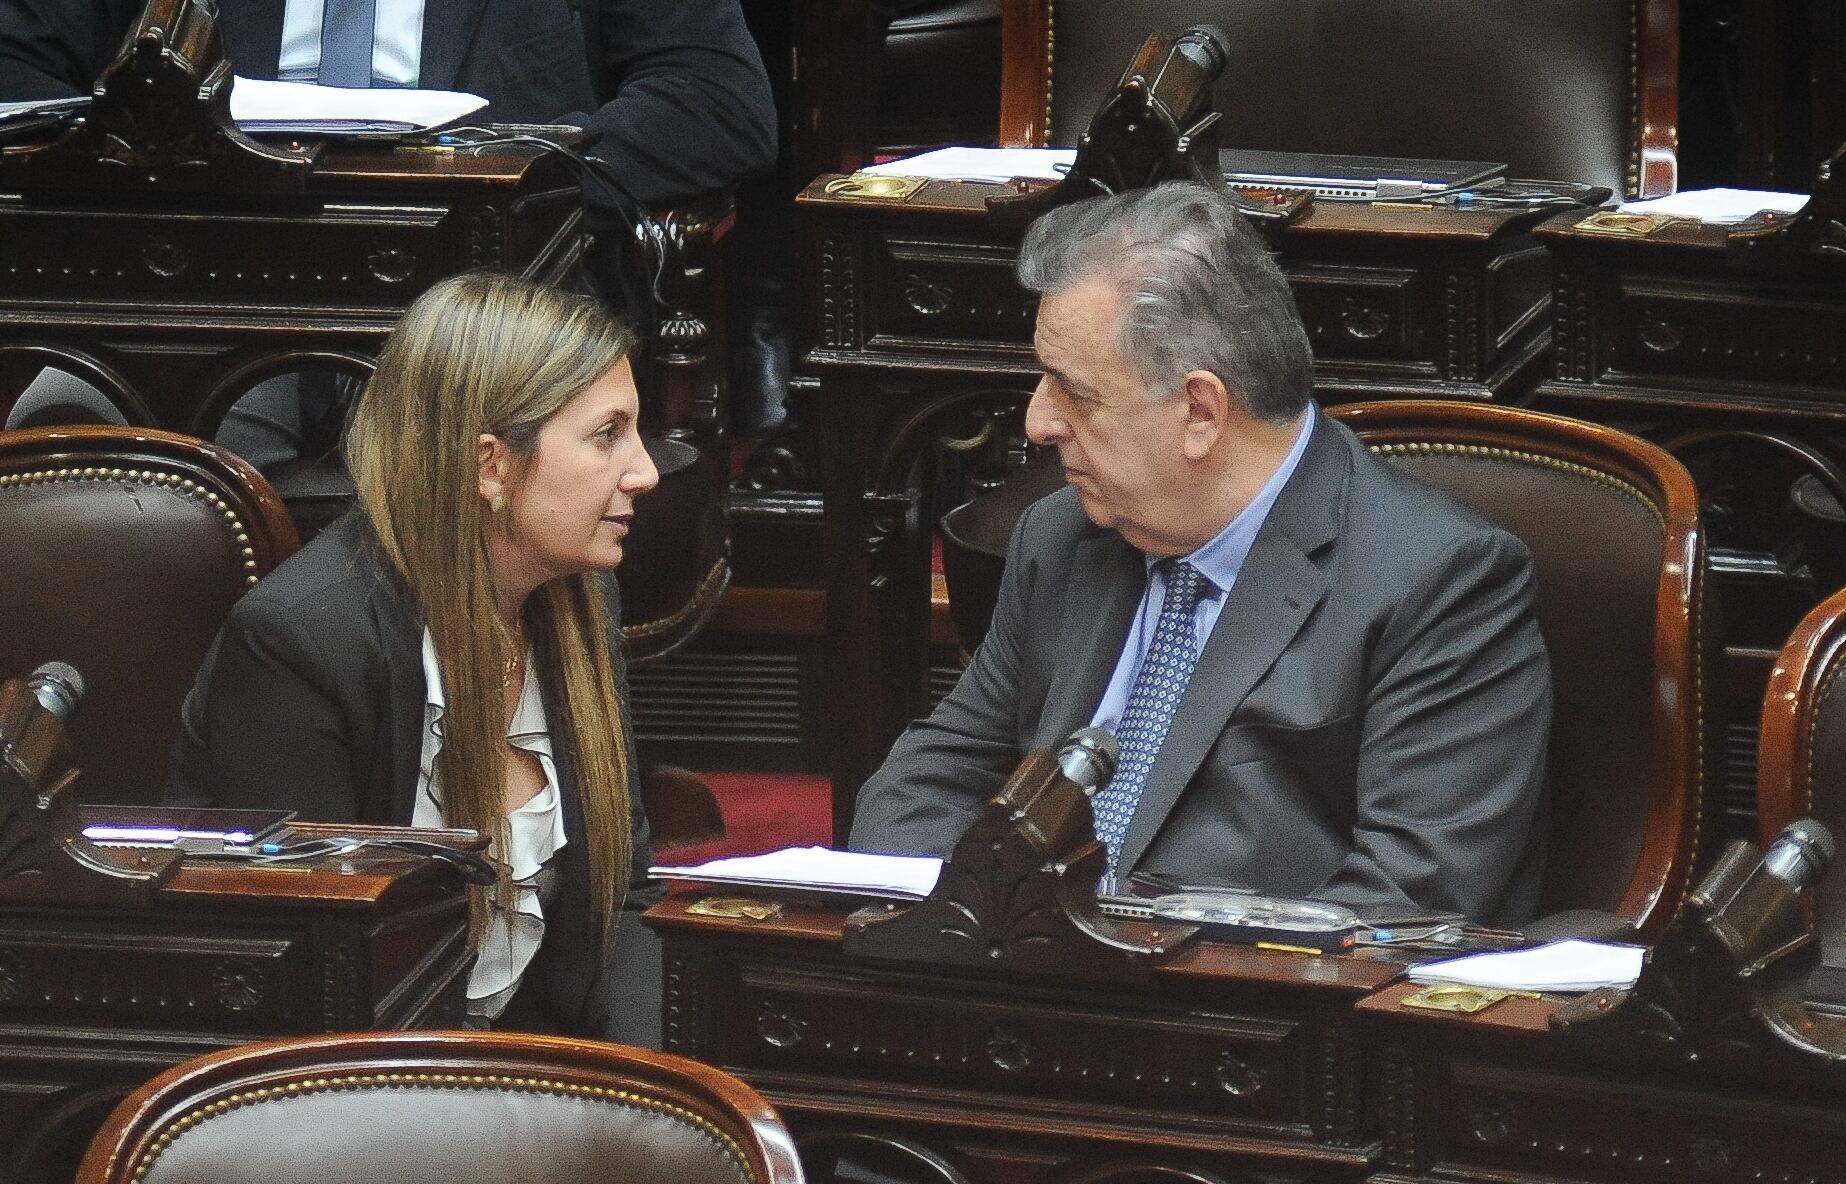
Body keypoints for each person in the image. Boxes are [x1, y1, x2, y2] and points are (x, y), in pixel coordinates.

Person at [848, 181, 1552, 928]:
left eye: (1073, 392)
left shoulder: (1438, 581)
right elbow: (926, 780)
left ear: (1200, 411)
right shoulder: (1060, 537)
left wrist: (1152, 969)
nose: (1037, 421)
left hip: (1242, 1014)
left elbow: (1411, 899)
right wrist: (958, 928)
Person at [167, 271, 665, 1041]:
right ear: (490, 465)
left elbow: (623, 899)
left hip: (537, 1065)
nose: (645, 470)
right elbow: (311, 972)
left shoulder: (581, 599)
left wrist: (652, 1096)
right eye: (608, 435)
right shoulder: (302, 643)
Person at [0, 0, 776, 457]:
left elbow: (715, 101)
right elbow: (18, 63)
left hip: (476, 287)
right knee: (80, 433)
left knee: (455, 444)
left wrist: (514, 177)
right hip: (212, 274)